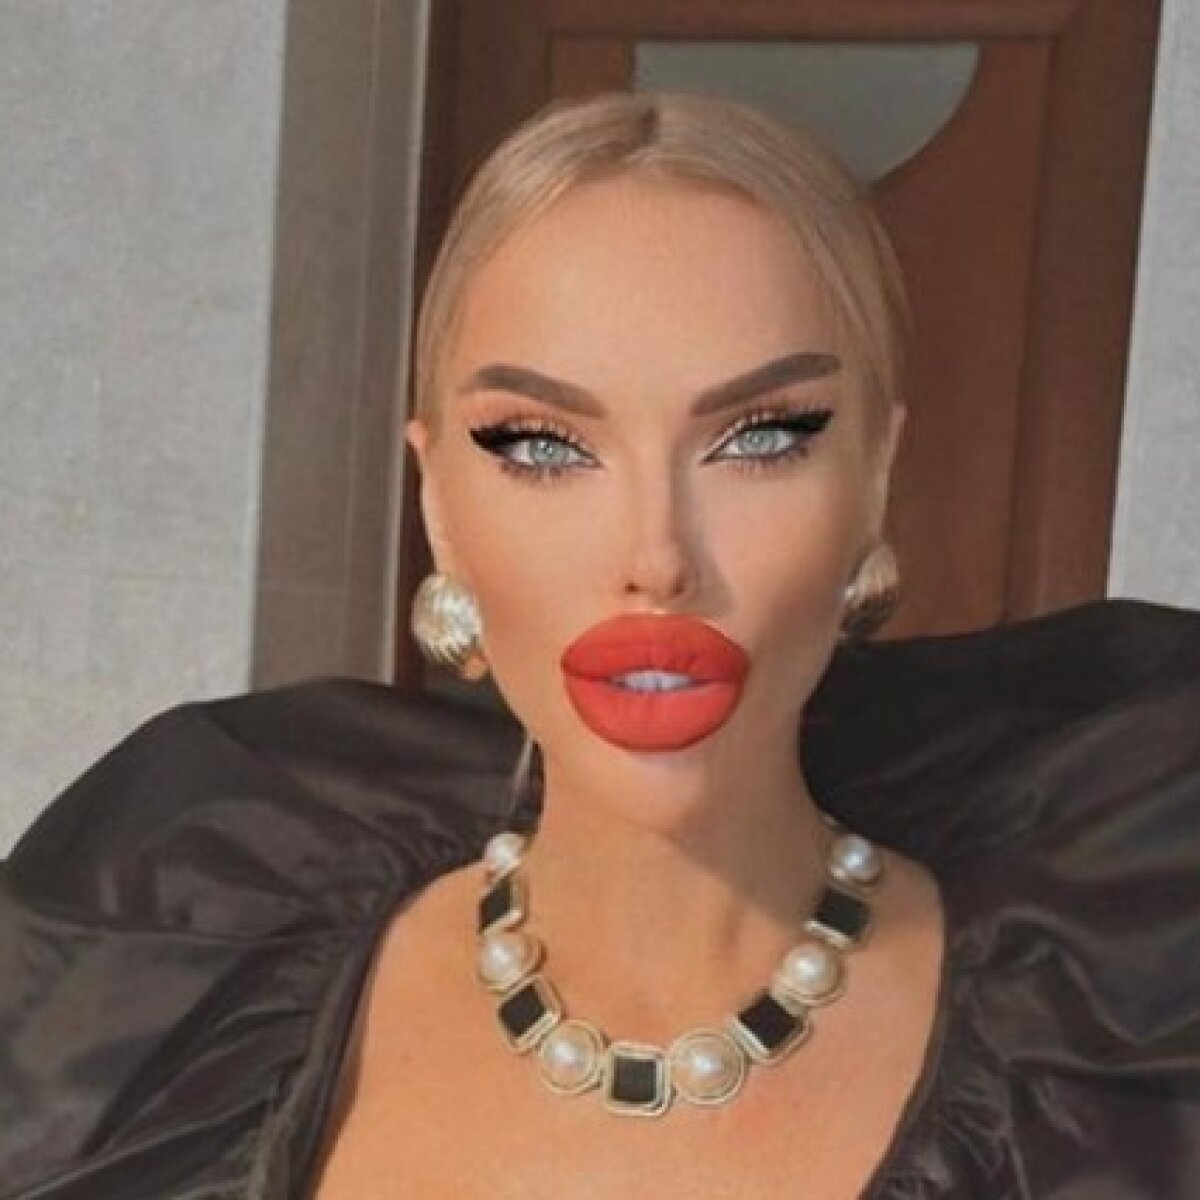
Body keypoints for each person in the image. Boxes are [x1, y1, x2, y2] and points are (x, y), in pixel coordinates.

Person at [2, 91, 1200, 1200]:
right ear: (437, 502)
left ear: (875, 477)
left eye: (761, 437)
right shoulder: (153, 975)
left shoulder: (1130, 1050)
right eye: (541, 445)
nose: (656, 556)